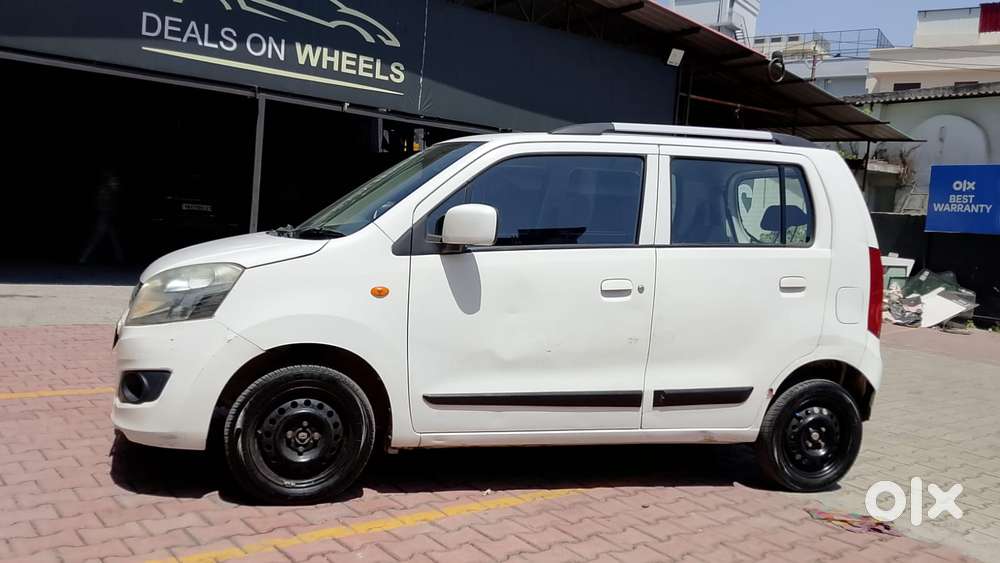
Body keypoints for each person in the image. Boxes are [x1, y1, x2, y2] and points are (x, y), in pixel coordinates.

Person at [79, 169, 125, 264]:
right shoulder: (105, 190)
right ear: (109, 180)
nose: (116, 182)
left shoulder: (111, 191)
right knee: (97, 239)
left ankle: (121, 259)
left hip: (107, 217)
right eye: (114, 180)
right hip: (104, 217)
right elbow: (101, 203)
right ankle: (83, 258)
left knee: (114, 239)